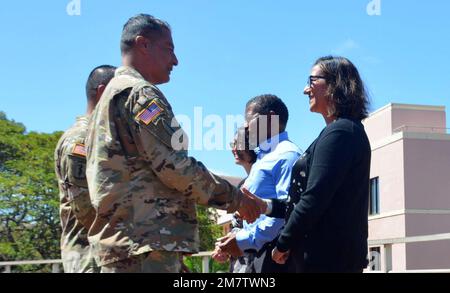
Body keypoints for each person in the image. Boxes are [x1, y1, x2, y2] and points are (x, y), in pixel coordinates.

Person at [84, 14, 264, 273]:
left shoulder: (106, 103)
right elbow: (174, 166)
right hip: (146, 246)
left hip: (125, 246)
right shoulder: (140, 94)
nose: (175, 61)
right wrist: (237, 200)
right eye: (169, 49)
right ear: (143, 44)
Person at [244, 56, 371, 273]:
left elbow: (314, 198)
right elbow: (305, 199)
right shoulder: (339, 132)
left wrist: (283, 243)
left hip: (327, 261)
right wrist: (267, 206)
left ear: (335, 84)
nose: (306, 89)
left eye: (311, 81)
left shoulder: (340, 133)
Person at [213, 95, 301, 273]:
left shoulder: (287, 155)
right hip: (257, 255)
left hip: (274, 256)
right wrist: (236, 237)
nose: (245, 126)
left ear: (269, 119)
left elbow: (286, 212)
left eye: (249, 120)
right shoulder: (263, 157)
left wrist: (242, 241)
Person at [55, 65, 116, 273]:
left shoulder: (100, 136)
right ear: (102, 92)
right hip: (89, 256)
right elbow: (83, 205)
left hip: (103, 253)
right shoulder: (81, 138)